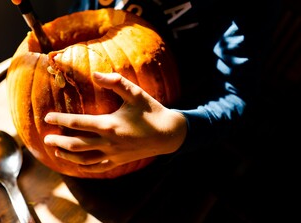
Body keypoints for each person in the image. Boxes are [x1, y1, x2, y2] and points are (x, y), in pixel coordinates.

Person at [43, 0, 281, 173]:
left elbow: (236, 96)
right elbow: (81, 19)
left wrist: (174, 132)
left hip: (178, 156)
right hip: (70, 147)